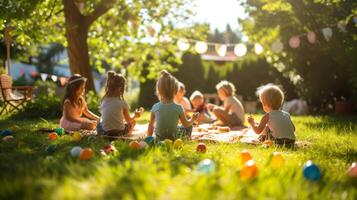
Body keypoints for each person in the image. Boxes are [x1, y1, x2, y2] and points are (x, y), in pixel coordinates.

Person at [147, 70, 199, 140]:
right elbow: (186, 124)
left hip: (159, 137)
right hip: (174, 137)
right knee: (189, 127)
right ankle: (186, 138)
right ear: (176, 91)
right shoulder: (178, 107)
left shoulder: (155, 107)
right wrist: (192, 119)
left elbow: (151, 125)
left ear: (158, 91)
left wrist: (149, 138)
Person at [97, 71, 142, 138]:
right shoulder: (122, 103)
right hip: (120, 132)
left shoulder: (104, 101)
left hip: (104, 132)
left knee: (99, 120)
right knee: (133, 122)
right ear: (120, 88)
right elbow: (128, 120)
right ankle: (128, 133)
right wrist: (135, 115)